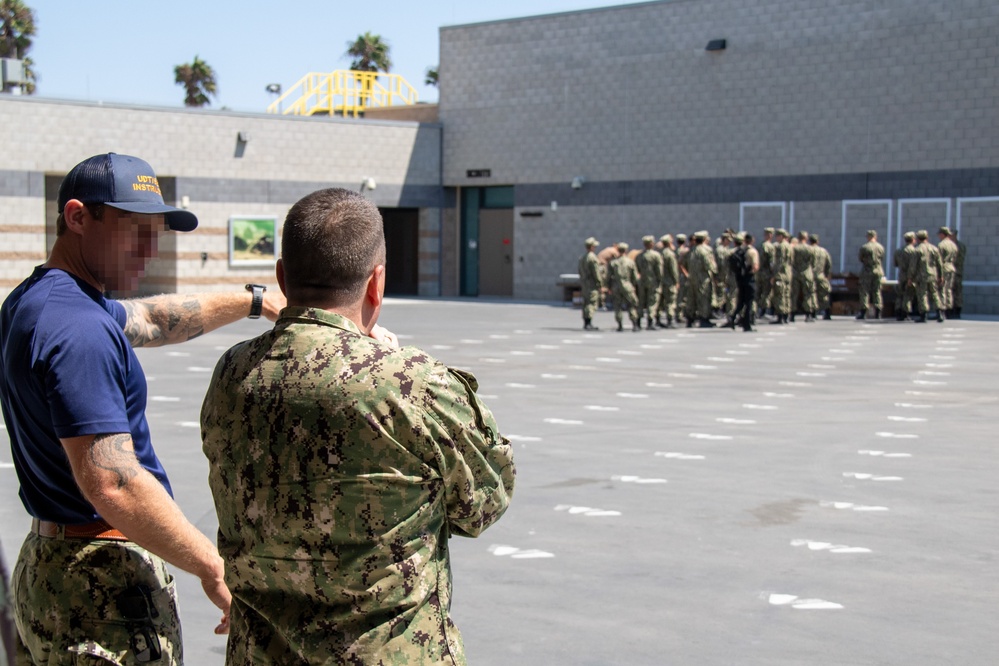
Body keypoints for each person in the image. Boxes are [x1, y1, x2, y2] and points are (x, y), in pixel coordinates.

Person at [200, 187, 515, 664]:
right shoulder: (411, 383)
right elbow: (483, 504)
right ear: (377, 282)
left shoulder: (232, 373)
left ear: (282, 278)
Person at [0, 153, 286, 664]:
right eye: (135, 229)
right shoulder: (78, 329)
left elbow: (152, 319)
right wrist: (211, 565)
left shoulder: (43, 300)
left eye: (156, 232)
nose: (150, 249)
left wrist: (254, 301)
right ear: (78, 217)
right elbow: (113, 483)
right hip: (101, 590)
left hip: (54, 567)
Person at [907, 229, 944, 323]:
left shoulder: (917, 250)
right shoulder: (934, 248)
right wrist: (941, 276)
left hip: (921, 276)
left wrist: (910, 277)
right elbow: (940, 263)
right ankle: (939, 313)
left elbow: (913, 266)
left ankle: (924, 315)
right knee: (935, 293)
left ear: (918, 239)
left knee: (922, 294)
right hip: (933, 275)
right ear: (927, 237)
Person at [609, 242, 641, 331]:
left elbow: (608, 276)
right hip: (627, 286)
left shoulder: (613, 263)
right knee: (631, 304)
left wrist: (608, 287)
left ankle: (620, 325)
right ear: (626, 250)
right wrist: (634, 286)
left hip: (616, 286)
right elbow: (634, 277)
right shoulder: (630, 262)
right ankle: (634, 324)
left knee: (617, 306)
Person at [687, 231, 717, 328]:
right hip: (703, 278)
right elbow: (709, 265)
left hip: (692, 278)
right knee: (703, 298)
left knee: (692, 298)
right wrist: (716, 273)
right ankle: (704, 318)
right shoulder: (705, 250)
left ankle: (690, 318)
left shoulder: (692, 250)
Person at [730, 232, 759, 332]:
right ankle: (746, 324)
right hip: (749, 278)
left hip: (740, 278)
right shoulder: (752, 251)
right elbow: (755, 267)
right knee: (749, 302)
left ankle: (732, 317)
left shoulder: (739, 250)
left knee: (741, 302)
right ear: (752, 241)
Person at [635, 235, 664, 329]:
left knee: (641, 301)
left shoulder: (639, 256)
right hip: (653, 281)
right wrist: (660, 279)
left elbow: (636, 269)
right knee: (652, 301)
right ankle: (650, 322)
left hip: (642, 281)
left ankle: (638, 321)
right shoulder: (656, 255)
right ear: (652, 243)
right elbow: (659, 270)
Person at [856, 229, 885, 319]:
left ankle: (863, 312)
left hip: (867, 271)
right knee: (877, 291)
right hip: (878, 271)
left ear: (868, 237)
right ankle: (878, 312)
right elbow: (882, 258)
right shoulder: (880, 247)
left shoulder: (864, 247)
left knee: (864, 291)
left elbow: (860, 259)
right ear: (875, 237)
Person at [790, 230, 817, 322]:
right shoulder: (810, 249)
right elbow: (813, 262)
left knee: (794, 294)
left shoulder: (794, 248)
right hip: (807, 272)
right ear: (806, 238)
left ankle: (792, 315)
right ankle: (808, 314)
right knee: (808, 294)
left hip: (796, 272)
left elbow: (791, 260)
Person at [578, 236, 603, 330]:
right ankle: (589, 322)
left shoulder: (582, 257)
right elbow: (596, 273)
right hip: (592, 284)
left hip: (585, 283)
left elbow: (580, 270)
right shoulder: (593, 258)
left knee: (585, 302)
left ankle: (586, 322)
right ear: (592, 247)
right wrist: (600, 284)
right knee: (591, 303)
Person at [770, 229, 793, 325]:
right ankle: (786, 315)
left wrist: (774, 275)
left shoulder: (781, 247)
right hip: (788, 273)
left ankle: (780, 316)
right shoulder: (789, 246)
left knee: (779, 295)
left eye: (777, 236)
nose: (776, 237)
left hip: (781, 274)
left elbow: (780, 262)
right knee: (787, 294)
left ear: (781, 236)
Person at [894, 231, 917, 320]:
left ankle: (898, 311)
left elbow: (895, 264)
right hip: (909, 275)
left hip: (901, 274)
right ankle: (905, 312)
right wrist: (911, 277)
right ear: (913, 240)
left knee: (900, 294)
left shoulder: (898, 251)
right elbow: (913, 265)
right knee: (908, 294)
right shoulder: (913, 251)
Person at [936, 226, 959, 319]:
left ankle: (942, 310)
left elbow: (939, 260)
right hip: (951, 267)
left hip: (944, 268)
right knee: (949, 289)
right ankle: (949, 309)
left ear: (942, 234)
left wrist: (939, 274)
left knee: (942, 289)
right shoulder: (954, 245)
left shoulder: (941, 245)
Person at [658, 234, 680, 328]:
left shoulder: (659, 253)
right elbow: (673, 269)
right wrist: (676, 281)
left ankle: (657, 319)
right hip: (669, 281)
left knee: (660, 301)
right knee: (670, 301)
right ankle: (670, 320)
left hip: (660, 281)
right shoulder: (670, 254)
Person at [809, 234, 833, 320]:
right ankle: (827, 313)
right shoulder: (824, 251)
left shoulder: (808, 250)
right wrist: (826, 275)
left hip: (810, 276)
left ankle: (813, 313)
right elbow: (829, 264)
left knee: (811, 294)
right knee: (824, 295)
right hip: (821, 276)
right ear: (817, 241)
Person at [756, 227, 776, 318]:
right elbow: (771, 262)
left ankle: (756, 311)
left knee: (758, 292)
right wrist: (773, 274)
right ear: (770, 235)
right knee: (766, 292)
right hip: (766, 273)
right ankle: (763, 311)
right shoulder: (770, 247)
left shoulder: (759, 245)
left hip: (759, 272)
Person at [950, 228, 967, 318]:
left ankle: (956, 311)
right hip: (957, 271)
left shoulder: (955, 246)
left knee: (955, 291)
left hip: (955, 271)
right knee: (956, 291)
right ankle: (955, 311)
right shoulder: (961, 245)